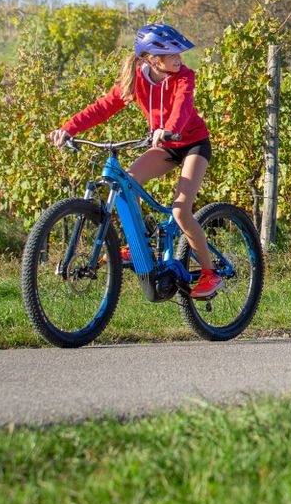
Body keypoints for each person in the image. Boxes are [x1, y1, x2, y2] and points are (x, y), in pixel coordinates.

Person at [48, 23, 222, 299]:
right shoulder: (136, 81)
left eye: (178, 53)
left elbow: (182, 106)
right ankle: (138, 244)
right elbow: (102, 108)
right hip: (164, 145)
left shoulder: (184, 77)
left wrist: (168, 128)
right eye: (172, 54)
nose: (179, 58)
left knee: (180, 211)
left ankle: (210, 273)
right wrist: (69, 129)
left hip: (193, 144)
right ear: (152, 59)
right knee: (127, 183)